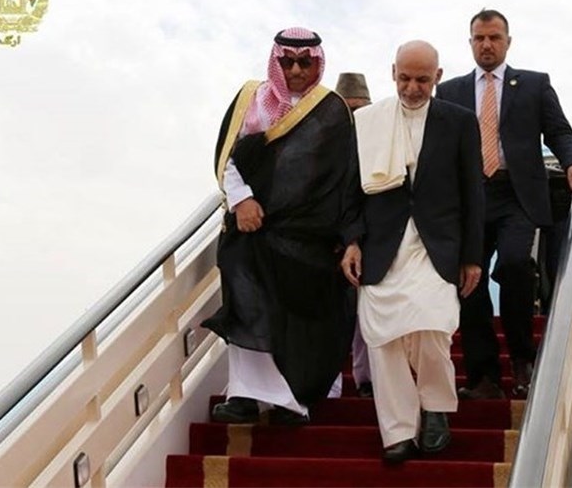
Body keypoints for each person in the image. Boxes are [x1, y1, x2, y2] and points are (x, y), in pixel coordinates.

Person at [436, 9, 572, 400]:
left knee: (513, 263)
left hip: (517, 194)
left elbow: (559, 131)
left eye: (494, 37)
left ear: (508, 42)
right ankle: (483, 376)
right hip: (470, 196)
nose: (486, 45)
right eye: (479, 38)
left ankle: (523, 358)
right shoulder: (451, 92)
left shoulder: (534, 85)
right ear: (470, 42)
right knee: (468, 281)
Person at [202, 27, 358, 425]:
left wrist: (342, 236)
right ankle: (244, 396)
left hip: (307, 238)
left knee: (299, 317)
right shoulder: (250, 98)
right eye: (287, 62)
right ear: (276, 61)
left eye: (305, 62)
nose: (296, 71)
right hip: (250, 230)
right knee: (247, 307)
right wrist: (242, 200)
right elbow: (229, 156)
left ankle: (293, 400)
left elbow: (341, 178)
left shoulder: (332, 109)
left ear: (318, 63)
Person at [341, 41, 484, 463]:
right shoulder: (367, 122)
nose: (412, 87)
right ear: (392, 73)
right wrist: (351, 241)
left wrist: (472, 256)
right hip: (380, 246)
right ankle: (398, 431)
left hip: (436, 246)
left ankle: (436, 409)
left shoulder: (459, 122)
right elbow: (349, 190)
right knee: (383, 341)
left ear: (437, 77)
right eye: (404, 78)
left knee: (433, 327)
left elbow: (472, 192)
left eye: (422, 79)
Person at [335, 72, 374, 398]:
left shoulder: (379, 141)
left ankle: (367, 380)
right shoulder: (322, 142)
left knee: (368, 315)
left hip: (369, 237)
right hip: (325, 239)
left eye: (360, 109)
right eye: (346, 110)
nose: (353, 117)